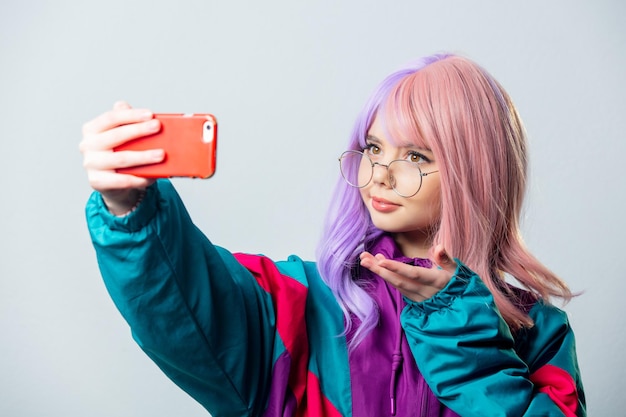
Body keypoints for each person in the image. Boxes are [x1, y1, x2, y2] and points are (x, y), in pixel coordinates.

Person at [81, 53, 586, 417]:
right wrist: (131, 209)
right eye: (373, 147)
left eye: (416, 156)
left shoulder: (537, 333)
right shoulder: (298, 300)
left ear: (474, 173)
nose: (381, 174)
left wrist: (459, 329)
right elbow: (183, 301)